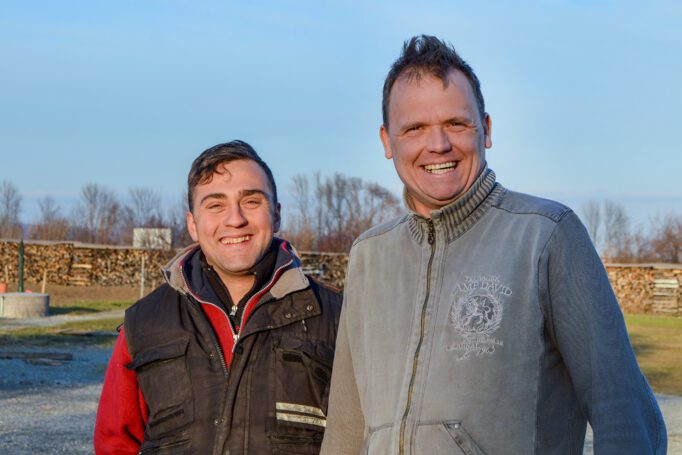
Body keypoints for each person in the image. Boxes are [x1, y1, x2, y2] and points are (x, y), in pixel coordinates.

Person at [321, 36, 666, 454]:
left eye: (456, 124)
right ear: (386, 141)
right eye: (414, 128)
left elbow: (625, 412)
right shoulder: (369, 256)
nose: (438, 144)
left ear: (485, 129)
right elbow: (346, 427)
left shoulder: (546, 235)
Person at [95, 140, 342, 454]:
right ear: (193, 224)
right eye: (215, 205)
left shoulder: (336, 316)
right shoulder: (143, 323)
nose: (235, 219)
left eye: (251, 201)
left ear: (276, 214)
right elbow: (114, 443)